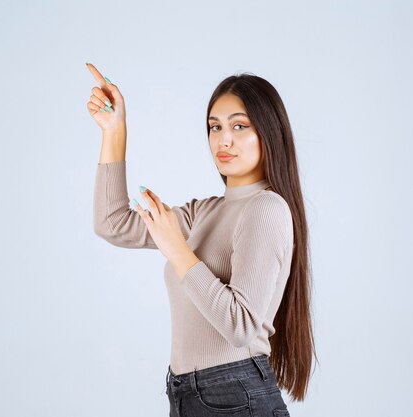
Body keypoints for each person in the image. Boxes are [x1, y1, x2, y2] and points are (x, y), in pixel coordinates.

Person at [86, 63, 317, 416]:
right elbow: (112, 223)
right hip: (186, 394)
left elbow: (241, 327)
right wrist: (114, 132)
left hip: (234, 396)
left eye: (239, 126)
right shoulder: (204, 212)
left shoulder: (266, 208)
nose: (223, 139)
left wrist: (177, 249)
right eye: (215, 127)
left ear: (269, 133)